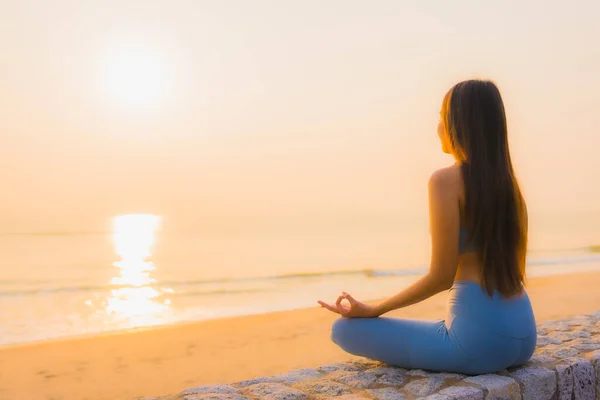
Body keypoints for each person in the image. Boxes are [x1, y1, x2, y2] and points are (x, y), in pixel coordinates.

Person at [317, 79, 537, 375]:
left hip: (479, 344)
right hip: (524, 335)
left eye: (441, 118)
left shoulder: (445, 181)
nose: (438, 128)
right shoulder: (511, 187)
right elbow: (517, 269)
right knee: (436, 330)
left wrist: (374, 309)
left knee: (344, 330)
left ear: (459, 123)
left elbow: (441, 276)